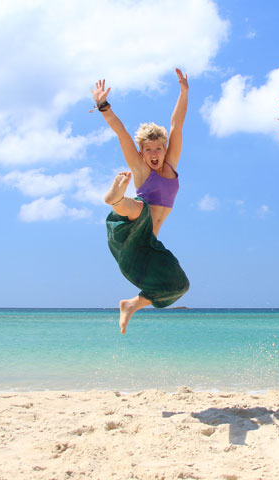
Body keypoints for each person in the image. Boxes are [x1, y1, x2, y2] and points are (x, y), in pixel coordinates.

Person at [92, 69, 190, 334]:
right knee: (140, 209)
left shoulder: (171, 165)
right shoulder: (140, 169)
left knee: (179, 285)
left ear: (164, 148)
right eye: (148, 150)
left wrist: (184, 92)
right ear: (141, 153)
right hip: (130, 229)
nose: (154, 153)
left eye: (159, 147)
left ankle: (131, 305)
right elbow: (121, 132)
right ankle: (115, 199)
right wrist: (103, 106)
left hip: (144, 248)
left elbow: (176, 125)